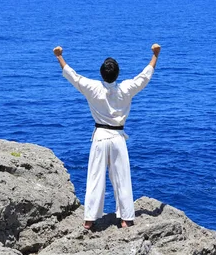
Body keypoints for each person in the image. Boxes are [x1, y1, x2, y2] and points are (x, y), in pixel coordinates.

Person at [52, 43, 161, 229]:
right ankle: (126, 219)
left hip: (100, 137)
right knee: (122, 179)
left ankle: (89, 220)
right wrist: (155, 55)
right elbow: (144, 77)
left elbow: (73, 76)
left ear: (101, 73)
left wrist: (59, 56)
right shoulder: (126, 89)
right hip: (118, 138)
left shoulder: (93, 88)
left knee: (95, 178)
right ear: (117, 74)